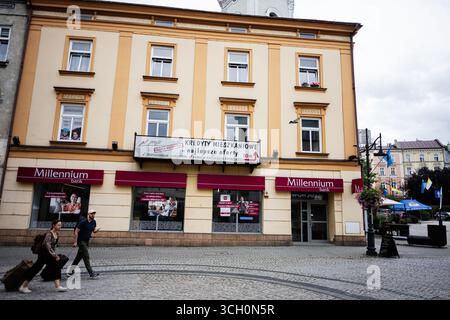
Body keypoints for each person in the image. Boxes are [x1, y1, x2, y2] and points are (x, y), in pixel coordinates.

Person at [19, 219, 67, 293]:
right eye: (58, 225)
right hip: (44, 255)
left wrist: (54, 254)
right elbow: (47, 246)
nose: (60, 226)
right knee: (35, 269)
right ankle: (23, 286)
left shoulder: (57, 234)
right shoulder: (49, 234)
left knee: (56, 268)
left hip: (49, 255)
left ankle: (58, 286)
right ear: (53, 225)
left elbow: (53, 246)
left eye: (61, 225)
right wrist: (55, 255)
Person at [68, 209, 100, 279]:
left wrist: (96, 230)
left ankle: (70, 271)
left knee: (78, 258)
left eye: (94, 214)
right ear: (89, 214)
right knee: (86, 256)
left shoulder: (94, 222)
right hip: (81, 241)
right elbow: (76, 231)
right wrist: (75, 241)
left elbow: (93, 231)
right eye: (92, 214)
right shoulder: (83, 222)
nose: (93, 215)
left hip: (87, 241)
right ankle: (91, 273)